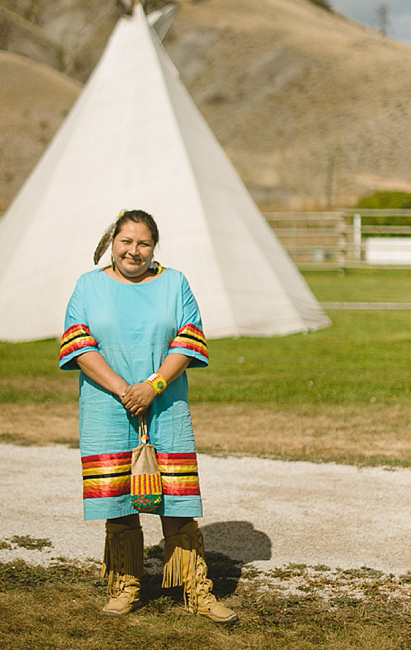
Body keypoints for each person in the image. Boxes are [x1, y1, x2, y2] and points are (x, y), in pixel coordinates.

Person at [59, 209, 237, 623]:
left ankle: (196, 590)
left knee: (177, 499)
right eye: (126, 242)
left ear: (154, 246)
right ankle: (126, 586)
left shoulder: (175, 283)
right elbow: (79, 346)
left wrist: (151, 387)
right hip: (108, 407)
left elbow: (189, 339)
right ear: (112, 241)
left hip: (165, 406)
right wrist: (125, 390)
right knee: (119, 497)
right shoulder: (88, 286)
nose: (133, 251)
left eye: (143, 244)